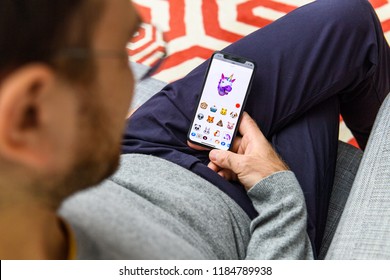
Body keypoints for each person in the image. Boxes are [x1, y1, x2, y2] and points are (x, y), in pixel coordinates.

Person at [0, 0, 387, 260]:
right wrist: (278, 189)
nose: (134, 82)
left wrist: (87, 136)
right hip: (248, 209)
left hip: (138, 149)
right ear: (31, 113)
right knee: (328, 78)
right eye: (121, 49)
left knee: (344, 20)